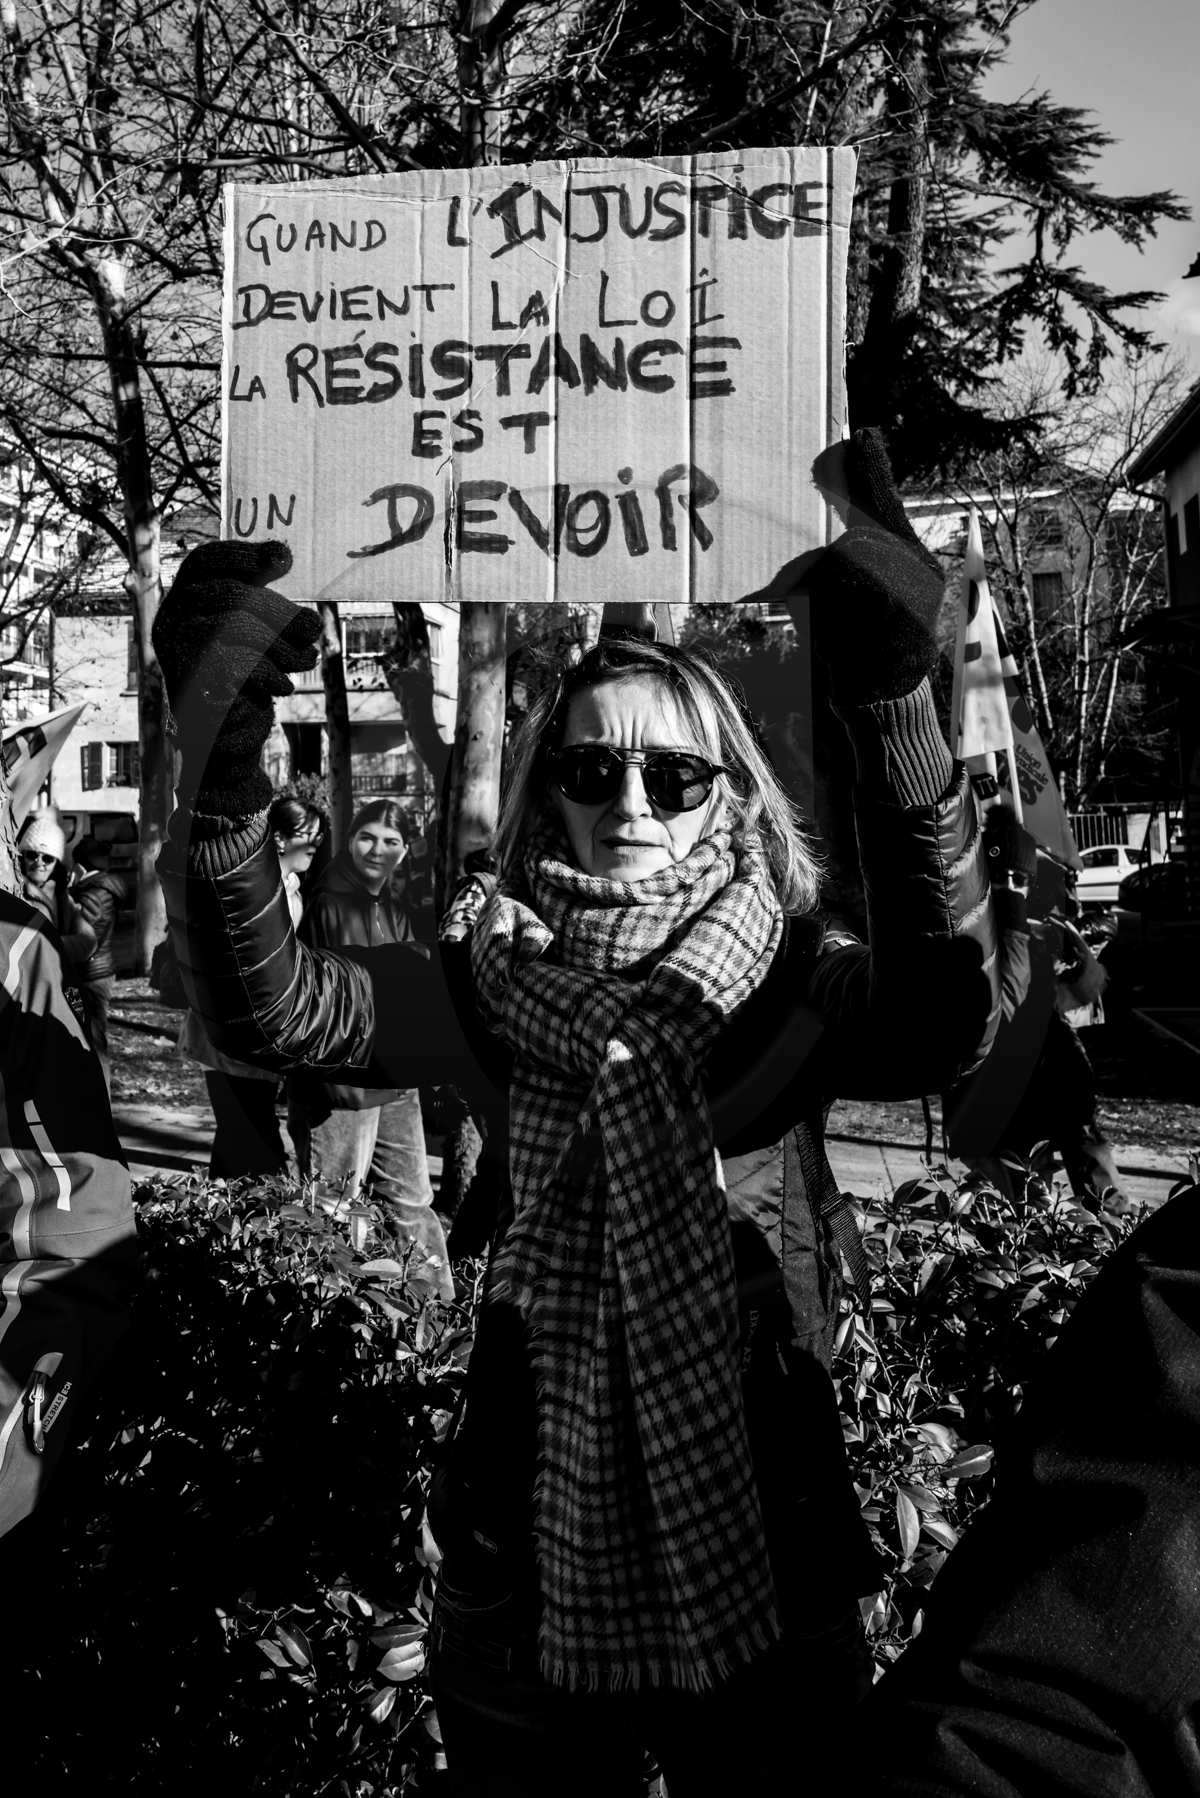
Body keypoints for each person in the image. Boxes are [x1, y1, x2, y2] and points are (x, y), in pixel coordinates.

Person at [151, 429, 1001, 1794]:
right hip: (522, 1580)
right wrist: (222, 744)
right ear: (546, 789)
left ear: (732, 795)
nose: (631, 802)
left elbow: (944, 1016)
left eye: (674, 776)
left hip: (769, 1568)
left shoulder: (797, 980)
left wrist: (898, 706)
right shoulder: (489, 982)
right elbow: (277, 1011)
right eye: (592, 771)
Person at [287, 799, 454, 1300]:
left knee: (412, 1203)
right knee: (333, 1211)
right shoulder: (328, 902)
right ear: (350, 839)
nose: (377, 850)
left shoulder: (397, 908)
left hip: (395, 1080)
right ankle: (328, 1317)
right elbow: (321, 1001)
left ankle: (438, 1315)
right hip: (343, 1088)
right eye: (367, 837)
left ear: (405, 851)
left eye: (391, 842)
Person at [177, 794, 324, 1178]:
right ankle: (268, 1207)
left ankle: (215, 1209)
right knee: (254, 1138)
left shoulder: (291, 890)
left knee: (239, 1136)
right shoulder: (253, 885)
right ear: (279, 838)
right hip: (232, 1033)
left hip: (259, 1037)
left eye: (319, 835)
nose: (316, 844)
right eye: (309, 834)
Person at [67, 836, 131, 1087]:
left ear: (80, 866)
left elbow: (81, 939)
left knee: (94, 1041)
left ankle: (100, 1098)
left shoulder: (92, 895)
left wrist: (69, 894)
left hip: (91, 974)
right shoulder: (103, 889)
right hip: (99, 971)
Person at [18, 811, 96, 973]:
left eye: (47, 858)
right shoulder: (15, 891)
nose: (39, 863)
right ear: (22, 856)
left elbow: (89, 940)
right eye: (32, 855)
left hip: (59, 978)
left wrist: (48, 947)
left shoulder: (61, 895)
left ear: (56, 863)